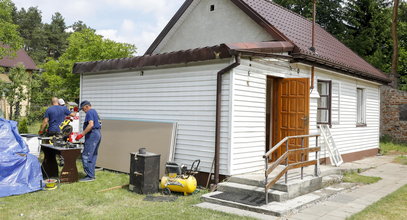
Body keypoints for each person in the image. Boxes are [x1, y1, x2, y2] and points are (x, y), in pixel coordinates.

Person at [75, 100, 101, 182]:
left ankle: (90, 176)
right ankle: (91, 174)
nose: (83, 111)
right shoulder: (94, 112)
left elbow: (91, 124)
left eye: (83, 109)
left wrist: (81, 134)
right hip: (97, 134)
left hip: (92, 135)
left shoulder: (89, 112)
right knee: (93, 155)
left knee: (86, 155)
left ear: (87, 106)